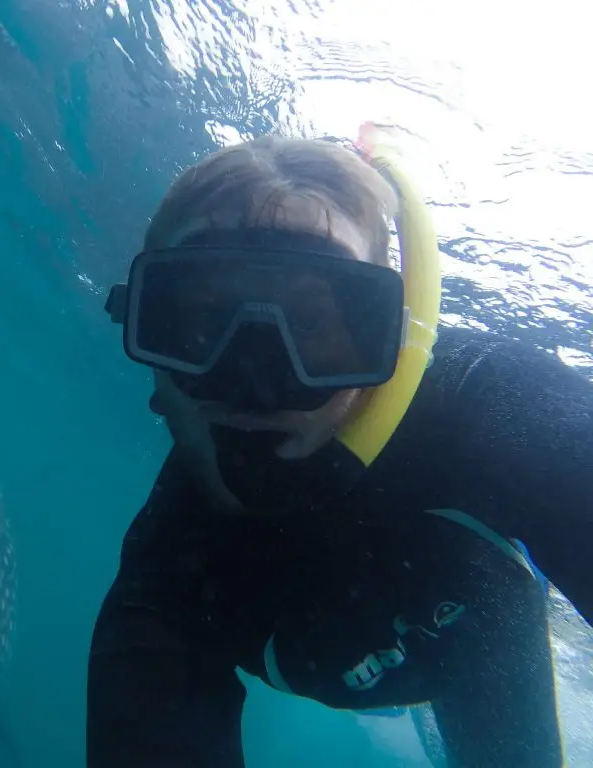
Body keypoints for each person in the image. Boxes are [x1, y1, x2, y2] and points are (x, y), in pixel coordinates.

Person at [87, 126, 592, 767]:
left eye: (312, 324)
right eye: (201, 322)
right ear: (148, 345)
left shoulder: (492, 408)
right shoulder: (166, 577)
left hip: (484, 654)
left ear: (391, 346)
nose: (255, 382)